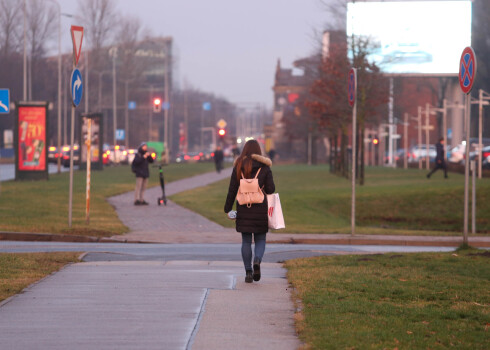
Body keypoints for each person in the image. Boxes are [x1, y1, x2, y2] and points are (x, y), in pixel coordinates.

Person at [224, 139, 275, 283]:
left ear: (244, 150)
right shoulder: (265, 167)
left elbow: (232, 190)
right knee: (260, 238)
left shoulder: (238, 166)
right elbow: (271, 189)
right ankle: (257, 260)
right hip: (260, 209)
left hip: (243, 208)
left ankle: (248, 271)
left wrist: (227, 208)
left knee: (246, 240)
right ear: (259, 151)